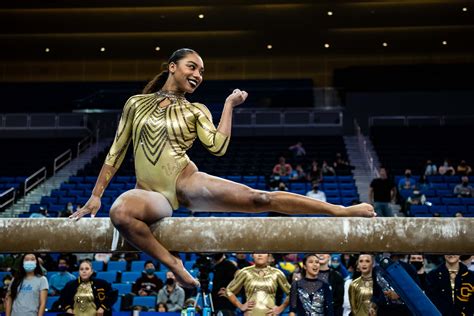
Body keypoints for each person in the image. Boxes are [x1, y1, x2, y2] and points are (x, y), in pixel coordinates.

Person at [70, 48, 375, 288]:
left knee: (261, 199)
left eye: (202, 71)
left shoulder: (196, 110)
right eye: (192, 66)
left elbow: (218, 146)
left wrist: (228, 105)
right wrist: (96, 196)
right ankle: (174, 264)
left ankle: (339, 211)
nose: (198, 74)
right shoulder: (135, 103)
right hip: (151, 193)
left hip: (186, 180)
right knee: (119, 212)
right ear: (172, 66)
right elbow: (116, 149)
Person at [225, 253, 290, 316]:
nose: (260, 255)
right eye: (256, 253)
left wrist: (281, 308)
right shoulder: (245, 272)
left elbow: (291, 293)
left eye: (263, 253)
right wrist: (240, 306)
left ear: (268, 255)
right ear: (252, 256)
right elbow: (228, 291)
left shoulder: (276, 273)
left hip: (270, 314)